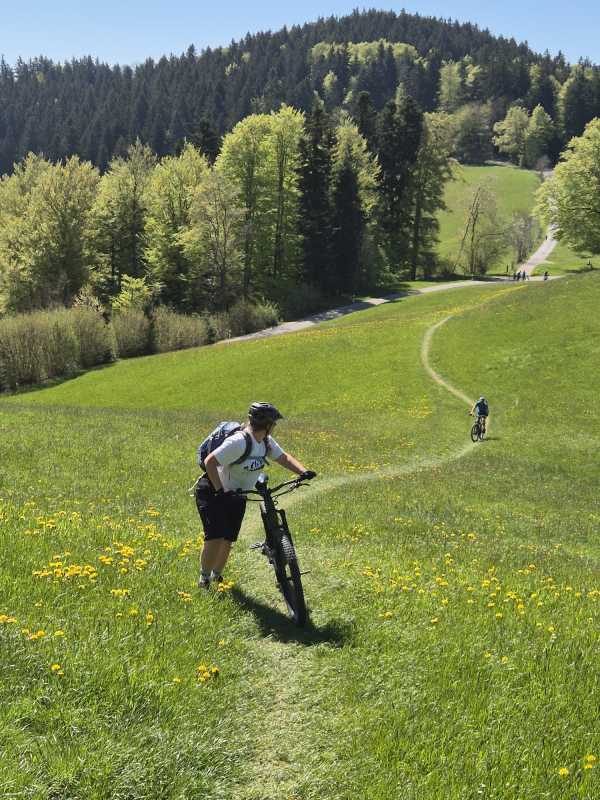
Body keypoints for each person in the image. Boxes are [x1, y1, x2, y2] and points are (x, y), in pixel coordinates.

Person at [195, 402, 315, 589]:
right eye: (274, 424)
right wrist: (220, 491)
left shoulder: (265, 441)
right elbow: (210, 462)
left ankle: (216, 576)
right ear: (267, 425)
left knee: (228, 539)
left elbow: (283, 457)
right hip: (213, 490)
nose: (275, 427)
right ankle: (204, 580)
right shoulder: (239, 442)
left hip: (237, 495)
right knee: (216, 536)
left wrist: (303, 471)